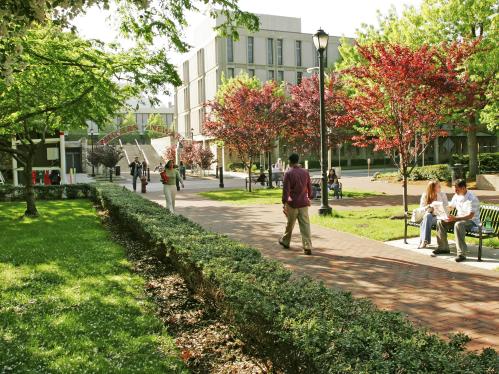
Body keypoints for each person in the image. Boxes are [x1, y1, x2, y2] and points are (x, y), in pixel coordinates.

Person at [433, 179, 480, 262]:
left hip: (472, 222)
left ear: (463, 188)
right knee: (440, 222)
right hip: (459, 219)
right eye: (455, 189)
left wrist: (455, 218)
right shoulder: (457, 195)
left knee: (458, 224)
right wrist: (441, 208)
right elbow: (451, 206)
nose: (455, 191)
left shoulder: (472, 199)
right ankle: (443, 248)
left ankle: (461, 254)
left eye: (457, 189)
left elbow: (470, 216)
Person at [279, 153, 313, 255]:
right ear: (298, 161)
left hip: (292, 203)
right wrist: (310, 196)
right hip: (303, 202)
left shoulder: (288, 173)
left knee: (290, 223)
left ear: (289, 161)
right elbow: (309, 186)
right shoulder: (305, 172)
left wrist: (284, 201)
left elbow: (286, 190)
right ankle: (307, 246)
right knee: (305, 225)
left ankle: (286, 241)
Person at [417, 180, 448, 248]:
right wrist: (428, 207)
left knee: (425, 220)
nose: (440, 187)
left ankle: (423, 241)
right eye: (438, 186)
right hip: (429, 216)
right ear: (433, 188)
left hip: (440, 216)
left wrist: (439, 208)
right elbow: (421, 209)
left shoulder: (442, 194)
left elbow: (446, 207)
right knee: (428, 216)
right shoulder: (425, 195)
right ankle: (425, 241)